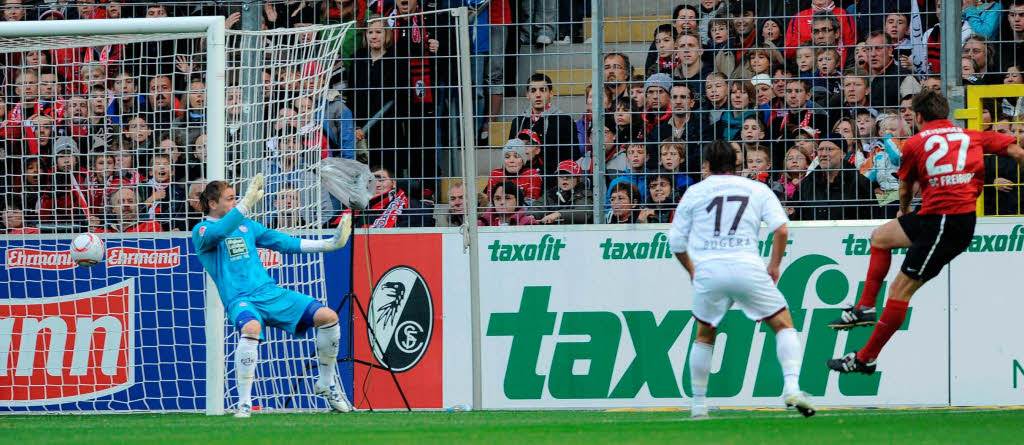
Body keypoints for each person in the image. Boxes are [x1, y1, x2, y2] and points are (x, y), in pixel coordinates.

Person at [827, 90, 1024, 374]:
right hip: (941, 217)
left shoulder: (916, 143)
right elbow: (1016, 151)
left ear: (918, 117)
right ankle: (865, 307)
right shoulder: (970, 135)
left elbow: (905, 188)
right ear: (945, 113)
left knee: (899, 290)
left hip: (946, 222)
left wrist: (903, 210)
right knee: (880, 237)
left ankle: (865, 357)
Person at [667, 140, 815, 419]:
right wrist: (774, 265)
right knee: (783, 324)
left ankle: (699, 405)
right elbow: (781, 230)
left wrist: (692, 270)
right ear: (736, 165)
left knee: (704, 334)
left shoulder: (695, 192)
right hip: (747, 265)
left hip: (709, 269)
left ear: (707, 166)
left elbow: (675, 242)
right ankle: (792, 387)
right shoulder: (756, 189)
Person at [192, 175, 355, 417]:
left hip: (270, 293)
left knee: (328, 316)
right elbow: (218, 233)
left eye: (237, 198)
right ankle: (244, 403)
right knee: (251, 327)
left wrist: (329, 244)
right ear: (213, 204)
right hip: (240, 298)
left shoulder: (247, 226)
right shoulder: (202, 230)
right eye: (231, 199)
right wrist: (245, 205)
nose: (237, 202)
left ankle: (326, 384)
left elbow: (283, 242)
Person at [531, 160, 592, 224]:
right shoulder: (550, 194)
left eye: (569, 175)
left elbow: (584, 213)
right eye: (561, 175)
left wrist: (559, 214)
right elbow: (537, 206)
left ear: (578, 178)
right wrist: (532, 215)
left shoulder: (585, 194)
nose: (564, 178)